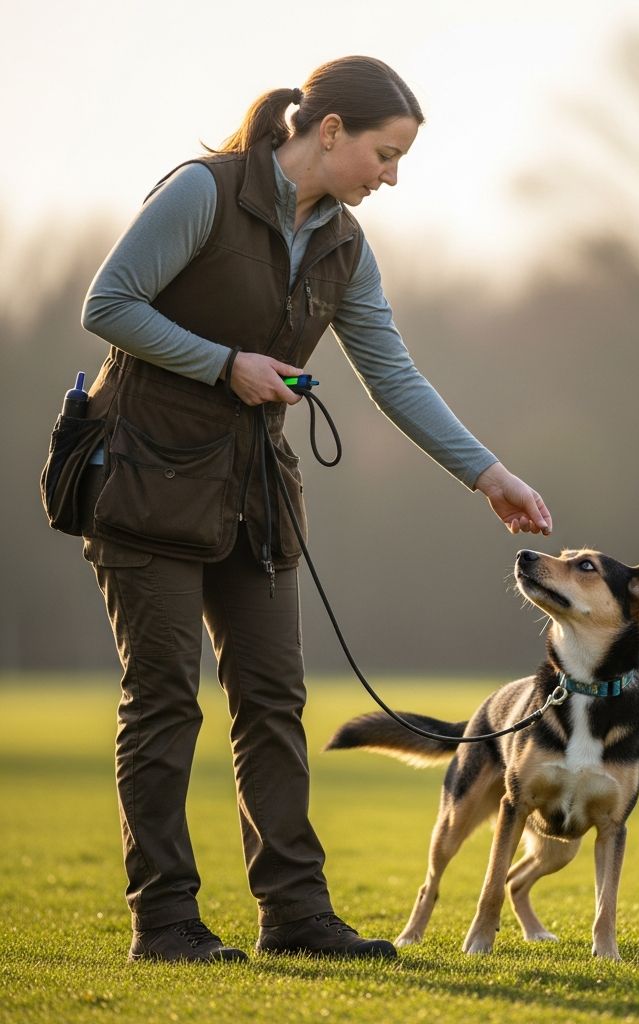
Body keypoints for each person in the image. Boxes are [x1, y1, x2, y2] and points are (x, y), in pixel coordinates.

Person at [77, 56, 553, 964]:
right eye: (386, 153)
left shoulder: (345, 245)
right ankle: (166, 922)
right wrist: (227, 365)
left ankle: (296, 917)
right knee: (165, 703)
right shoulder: (203, 194)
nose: (393, 177)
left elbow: (393, 374)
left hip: (253, 495)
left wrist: (487, 474)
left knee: (273, 704)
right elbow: (108, 304)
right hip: (145, 485)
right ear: (327, 130)